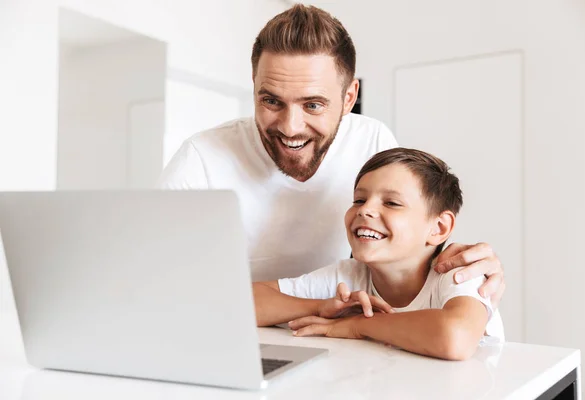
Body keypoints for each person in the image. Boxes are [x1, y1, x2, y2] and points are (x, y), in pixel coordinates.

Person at [159, 4, 505, 306]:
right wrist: (315, 309)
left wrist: (460, 265)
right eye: (271, 101)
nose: (291, 127)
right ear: (254, 85)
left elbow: (406, 242)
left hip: (336, 334)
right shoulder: (200, 159)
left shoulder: (372, 140)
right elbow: (159, 282)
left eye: (312, 105)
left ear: (349, 97)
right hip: (237, 328)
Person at [253, 148, 504, 360]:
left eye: (392, 203)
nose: (366, 210)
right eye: (359, 200)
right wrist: (321, 307)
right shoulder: (347, 275)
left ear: (438, 228)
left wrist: (356, 326)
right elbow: (241, 301)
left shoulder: (459, 273)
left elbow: (455, 337)